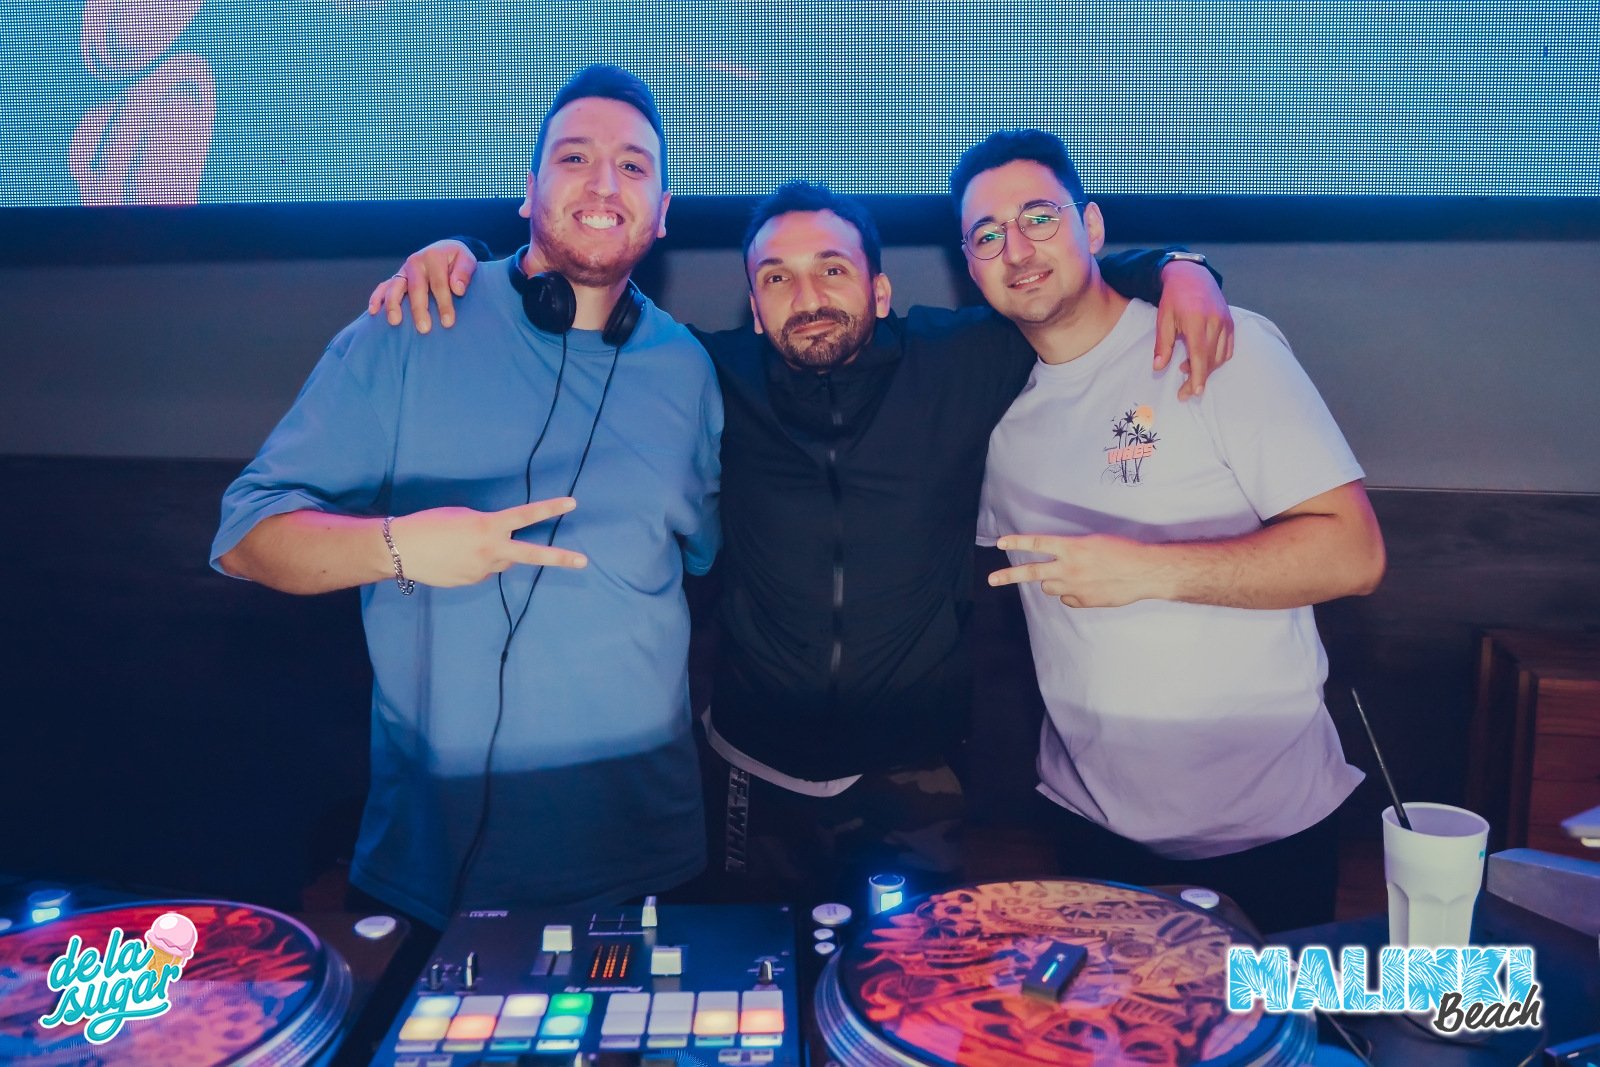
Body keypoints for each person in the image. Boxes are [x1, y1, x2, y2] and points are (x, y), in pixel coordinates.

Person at [365, 183, 1235, 906]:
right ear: (753, 306)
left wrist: (1179, 266)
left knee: (904, 994)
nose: (808, 295)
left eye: (832, 269)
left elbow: (1061, 286)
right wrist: (461, 254)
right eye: (777, 277)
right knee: (758, 988)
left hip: (917, 775)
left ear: (880, 291)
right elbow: (567, 313)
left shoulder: (964, 358)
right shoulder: (705, 374)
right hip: (752, 768)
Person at [210, 65, 721, 930]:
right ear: (528, 191)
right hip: (437, 863)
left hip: (651, 851)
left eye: (634, 166)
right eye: (575, 157)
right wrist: (399, 546)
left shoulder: (688, 368)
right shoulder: (414, 321)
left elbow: (699, 554)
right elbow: (245, 536)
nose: (604, 184)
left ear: (663, 211)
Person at [954, 129, 1385, 932]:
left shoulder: (1216, 342)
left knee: (1272, 1019)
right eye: (987, 234)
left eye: (1039, 217)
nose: (1016, 248)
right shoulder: (999, 423)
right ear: (971, 267)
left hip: (1268, 828)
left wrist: (1149, 570)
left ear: (1091, 226)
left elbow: (1354, 553)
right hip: (1090, 827)